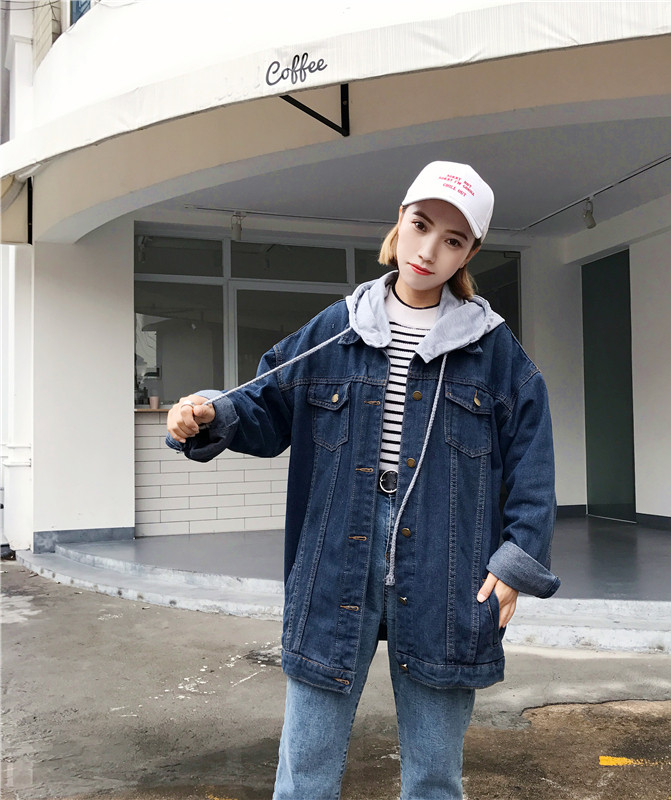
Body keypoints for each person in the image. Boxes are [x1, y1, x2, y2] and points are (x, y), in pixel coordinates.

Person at [166, 161, 560, 800]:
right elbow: (264, 405)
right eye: (420, 226)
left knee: (434, 780)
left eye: (452, 240)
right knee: (304, 776)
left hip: (446, 579)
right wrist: (210, 411)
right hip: (334, 570)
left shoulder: (494, 352)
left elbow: (532, 463)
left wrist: (515, 562)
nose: (428, 251)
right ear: (400, 222)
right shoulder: (337, 329)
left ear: (469, 254)